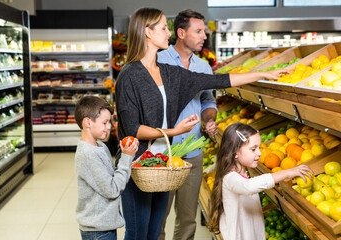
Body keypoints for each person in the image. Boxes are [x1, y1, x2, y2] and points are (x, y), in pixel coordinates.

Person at [115, 7, 289, 240]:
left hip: (164, 162)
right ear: (147, 32)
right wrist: (176, 130)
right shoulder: (129, 75)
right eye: (164, 27)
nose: (169, 33)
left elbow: (218, 79)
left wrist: (261, 75)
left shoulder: (168, 73)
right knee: (139, 233)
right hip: (139, 165)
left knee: (155, 230)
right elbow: (132, 128)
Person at [157, 9, 218, 240]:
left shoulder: (203, 67)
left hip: (192, 151)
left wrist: (209, 119)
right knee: (158, 216)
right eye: (198, 31)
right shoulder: (159, 61)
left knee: (187, 218)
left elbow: (208, 100)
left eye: (204, 31)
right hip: (163, 150)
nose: (204, 36)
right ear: (181, 33)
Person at [207, 123, 313, 240]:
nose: (260, 153)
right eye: (253, 149)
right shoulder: (230, 178)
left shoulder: (244, 172)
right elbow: (249, 186)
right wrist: (287, 172)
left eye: (259, 148)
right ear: (235, 152)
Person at [74, 96, 139, 240]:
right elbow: (113, 189)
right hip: (97, 231)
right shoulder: (88, 154)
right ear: (87, 122)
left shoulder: (100, 146)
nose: (109, 126)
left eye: (109, 122)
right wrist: (127, 157)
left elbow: (111, 176)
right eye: (105, 122)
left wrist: (125, 155)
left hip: (103, 226)